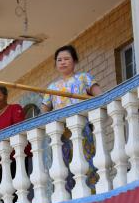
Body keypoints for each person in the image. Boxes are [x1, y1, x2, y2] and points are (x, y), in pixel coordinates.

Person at [41, 44, 102, 192]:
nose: (62, 62)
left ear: (74, 61)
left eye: (66, 59)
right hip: (62, 134)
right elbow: (44, 111)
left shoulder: (83, 78)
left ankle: (93, 191)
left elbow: (100, 96)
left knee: (87, 160)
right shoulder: (52, 87)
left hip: (82, 128)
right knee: (65, 166)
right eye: (59, 60)